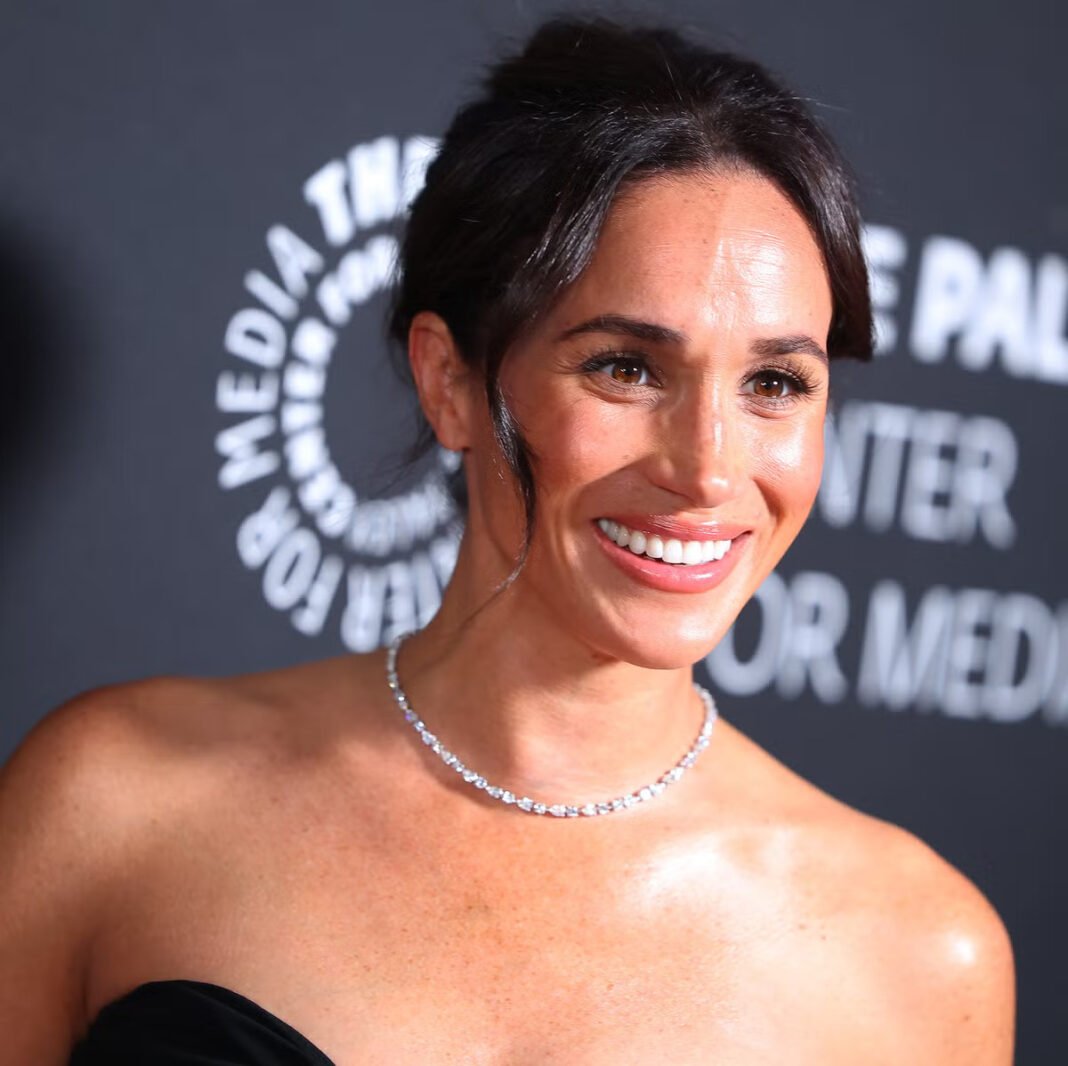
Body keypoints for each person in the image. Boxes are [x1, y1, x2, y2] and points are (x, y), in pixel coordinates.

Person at [1, 15, 1015, 1065]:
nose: (709, 469)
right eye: (627, 367)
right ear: (451, 382)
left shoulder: (921, 958)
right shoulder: (114, 801)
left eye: (774, 383)